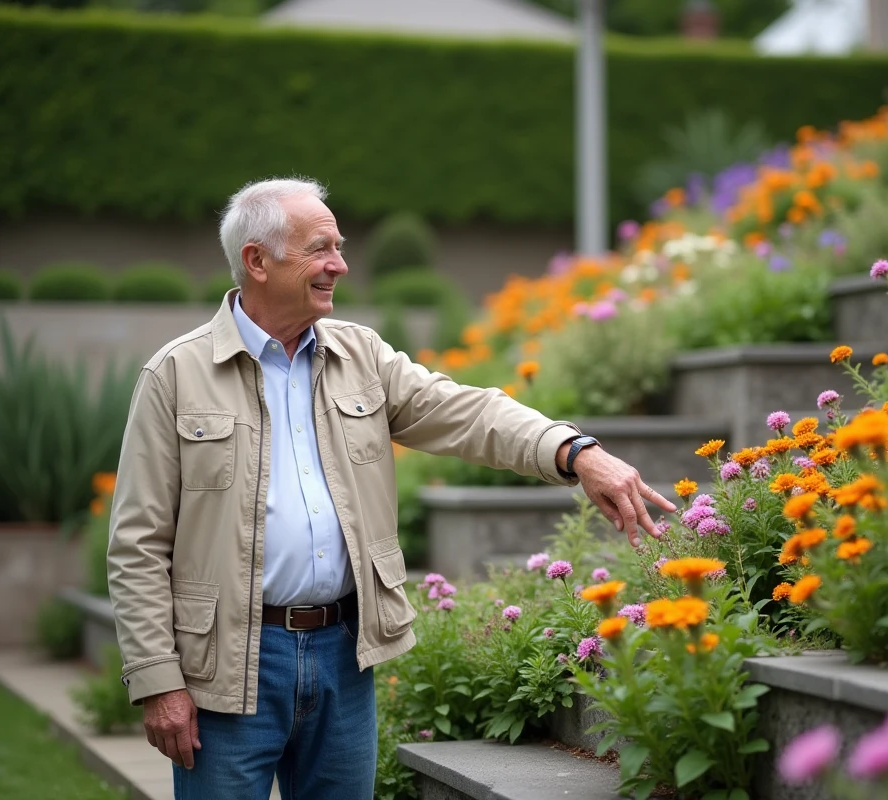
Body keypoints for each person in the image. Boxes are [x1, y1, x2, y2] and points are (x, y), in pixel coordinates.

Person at [107, 177, 675, 799]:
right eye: (320, 249)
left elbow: (469, 413)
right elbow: (137, 544)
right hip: (225, 667)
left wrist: (575, 452)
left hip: (343, 655)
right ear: (257, 261)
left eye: (339, 247)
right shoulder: (175, 375)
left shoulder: (362, 356)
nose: (339, 265)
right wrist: (159, 682)